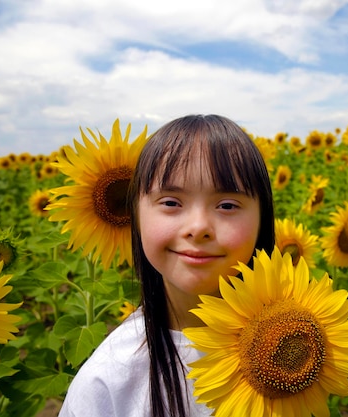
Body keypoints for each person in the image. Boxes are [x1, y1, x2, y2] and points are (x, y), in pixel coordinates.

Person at [58, 114, 276, 417]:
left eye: (227, 205)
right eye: (171, 202)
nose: (198, 227)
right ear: (134, 215)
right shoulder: (108, 381)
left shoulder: (303, 340)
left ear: (263, 218)